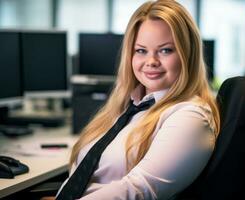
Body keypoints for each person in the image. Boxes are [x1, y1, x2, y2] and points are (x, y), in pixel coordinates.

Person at [43, 0, 220, 199]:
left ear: (188, 54)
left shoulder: (190, 117)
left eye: (166, 50)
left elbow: (140, 189)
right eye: (141, 50)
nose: (151, 62)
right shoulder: (131, 105)